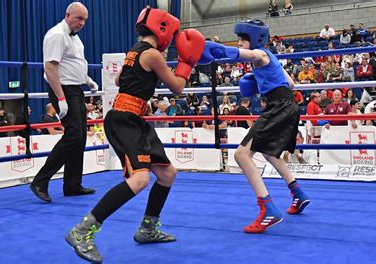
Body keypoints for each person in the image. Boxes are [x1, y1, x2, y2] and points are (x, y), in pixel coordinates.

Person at [65, 7, 205, 263]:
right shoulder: (152, 55)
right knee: (140, 179)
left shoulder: (134, 51)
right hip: (125, 121)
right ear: (163, 30)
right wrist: (186, 63)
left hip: (131, 119)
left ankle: (147, 228)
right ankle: (82, 231)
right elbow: (177, 89)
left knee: (167, 173)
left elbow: (119, 80)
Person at [200, 19, 309, 234]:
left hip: (279, 106)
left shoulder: (260, 54)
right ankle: (298, 194)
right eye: (238, 40)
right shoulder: (271, 57)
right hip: (288, 105)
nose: (240, 43)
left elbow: (251, 55)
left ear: (254, 40)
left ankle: (268, 208)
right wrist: (260, 80)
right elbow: (291, 84)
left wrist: (216, 49)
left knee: (241, 155)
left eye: (243, 39)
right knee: (271, 154)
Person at [29, 2, 99, 203]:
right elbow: (50, 68)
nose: (82, 23)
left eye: (85, 20)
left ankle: (72, 184)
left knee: (80, 137)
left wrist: (87, 79)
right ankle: (40, 181)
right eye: (79, 18)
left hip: (76, 89)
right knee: (74, 135)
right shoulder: (57, 34)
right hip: (64, 90)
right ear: (68, 15)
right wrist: (61, 98)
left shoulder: (74, 39)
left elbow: (73, 63)